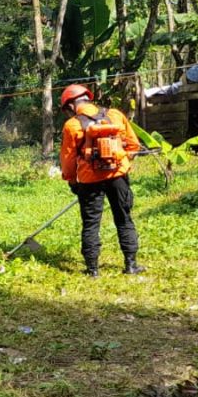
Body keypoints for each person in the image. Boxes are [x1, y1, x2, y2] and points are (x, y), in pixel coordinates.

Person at [59, 84, 145, 277]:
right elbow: (133, 145)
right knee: (124, 219)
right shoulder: (115, 115)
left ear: (71, 106)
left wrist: (72, 181)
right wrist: (121, 162)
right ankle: (131, 265)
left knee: (91, 223)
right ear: (87, 98)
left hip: (89, 181)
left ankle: (92, 270)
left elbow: (68, 159)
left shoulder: (72, 125)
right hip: (118, 176)